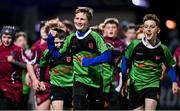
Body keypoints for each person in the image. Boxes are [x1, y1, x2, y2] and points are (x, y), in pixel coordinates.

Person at [47, 6, 113, 110]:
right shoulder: (70, 38)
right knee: (78, 107)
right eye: (77, 18)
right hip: (79, 79)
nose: (78, 21)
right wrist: (50, 39)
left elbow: (107, 55)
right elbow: (55, 55)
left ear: (89, 21)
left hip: (95, 81)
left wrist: (89, 61)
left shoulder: (95, 36)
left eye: (82, 19)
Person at [121, 14, 179, 110]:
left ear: (158, 30)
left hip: (153, 85)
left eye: (152, 27)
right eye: (146, 27)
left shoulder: (163, 49)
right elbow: (125, 60)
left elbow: (170, 66)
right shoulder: (135, 44)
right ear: (143, 29)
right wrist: (124, 79)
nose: (148, 29)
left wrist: (174, 82)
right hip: (136, 86)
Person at [39, 25, 73, 110]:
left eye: (62, 42)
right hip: (57, 86)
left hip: (72, 87)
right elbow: (42, 66)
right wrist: (41, 80)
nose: (59, 45)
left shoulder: (71, 52)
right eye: (56, 43)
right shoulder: (48, 53)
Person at [26, 21, 51, 110]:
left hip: (57, 83)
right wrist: (32, 77)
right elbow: (29, 63)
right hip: (42, 84)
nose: (44, 31)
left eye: (47, 29)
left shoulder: (57, 43)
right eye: (42, 28)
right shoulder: (35, 46)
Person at [0, 26, 25, 109]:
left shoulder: (18, 50)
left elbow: (27, 66)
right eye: (4, 37)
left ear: (13, 38)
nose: (6, 40)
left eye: (9, 38)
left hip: (12, 88)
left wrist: (14, 62)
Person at [14, 32, 31, 109]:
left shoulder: (28, 52)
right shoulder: (11, 52)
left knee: (23, 106)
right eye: (20, 40)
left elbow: (28, 66)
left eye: (24, 40)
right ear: (15, 42)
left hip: (25, 86)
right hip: (13, 86)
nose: (23, 42)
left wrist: (14, 62)